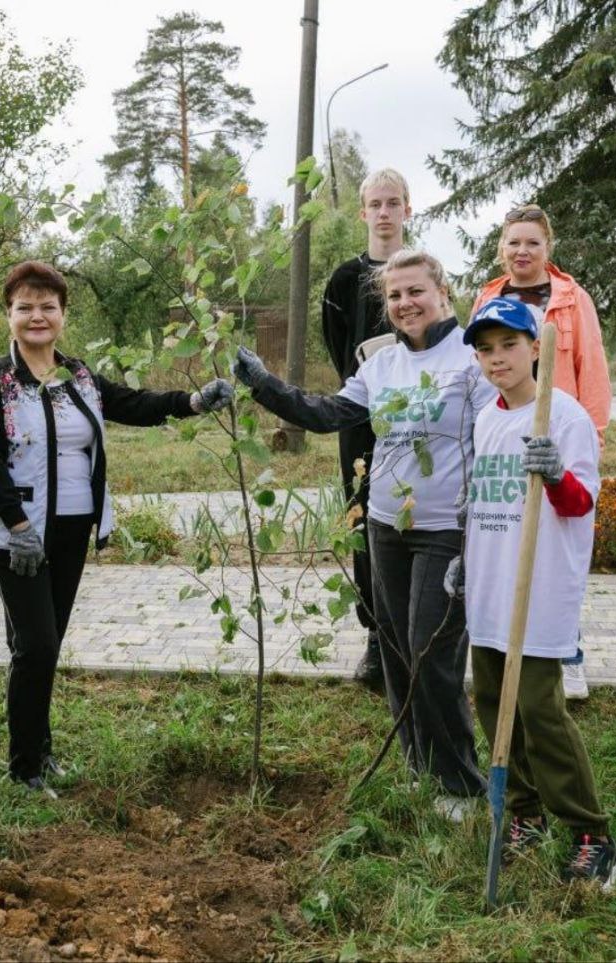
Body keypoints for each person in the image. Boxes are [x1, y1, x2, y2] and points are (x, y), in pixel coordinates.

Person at [235, 249, 495, 820]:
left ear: (442, 292)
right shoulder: (380, 366)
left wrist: (478, 539)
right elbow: (328, 413)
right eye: (395, 295)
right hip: (385, 527)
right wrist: (264, 385)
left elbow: (491, 444)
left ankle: (462, 785)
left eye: (415, 291)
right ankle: (417, 767)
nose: (404, 303)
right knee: (399, 653)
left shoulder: (472, 359)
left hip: (445, 530)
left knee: (434, 654)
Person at [0, 261, 233, 797]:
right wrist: (16, 522)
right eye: (25, 307)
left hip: (70, 531)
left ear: (63, 314)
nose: (36, 316)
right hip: (18, 534)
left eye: (47, 307)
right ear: (9, 316)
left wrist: (194, 401)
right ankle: (24, 769)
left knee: (46, 643)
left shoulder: (78, 377)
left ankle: (40, 753)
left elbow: (135, 404)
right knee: (35, 645)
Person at [446, 296, 616, 888]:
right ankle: (523, 816)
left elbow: (581, 503)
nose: (497, 359)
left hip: (540, 591)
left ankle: (592, 836)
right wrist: (465, 560)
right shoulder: (488, 418)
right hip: (492, 590)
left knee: (542, 716)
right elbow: (485, 502)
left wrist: (555, 474)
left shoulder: (564, 417)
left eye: (509, 346)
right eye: (486, 349)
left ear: (534, 348)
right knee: (497, 709)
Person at [471, 205, 611, 701]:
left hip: (556, 427)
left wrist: (587, 438)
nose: (522, 251)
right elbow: (478, 373)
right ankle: (510, 648)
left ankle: (565, 653)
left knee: (553, 555)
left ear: (547, 248)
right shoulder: (488, 297)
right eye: (513, 242)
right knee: (511, 545)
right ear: (502, 248)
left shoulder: (571, 299)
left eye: (532, 242)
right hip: (509, 428)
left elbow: (591, 367)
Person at [320, 168, 410, 693]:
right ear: (362, 212)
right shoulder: (344, 280)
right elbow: (338, 345)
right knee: (363, 522)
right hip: (361, 421)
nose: (383, 213)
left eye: (392, 203)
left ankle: (411, 634)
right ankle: (377, 639)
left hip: (417, 421)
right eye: (374, 204)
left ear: (407, 210)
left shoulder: (422, 273)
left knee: (415, 515)